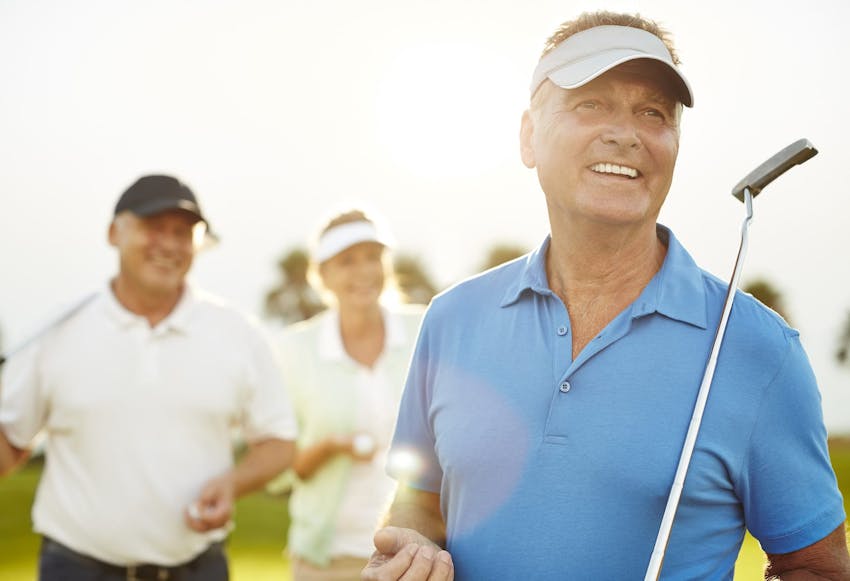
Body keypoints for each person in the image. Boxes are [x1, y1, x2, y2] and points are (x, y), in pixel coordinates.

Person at [362, 11, 850, 581]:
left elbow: (817, 567)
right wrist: (411, 552)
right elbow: (419, 501)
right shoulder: (451, 320)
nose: (627, 133)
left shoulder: (757, 349)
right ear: (528, 135)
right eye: (591, 104)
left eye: (653, 113)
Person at [0, 174, 298, 581]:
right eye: (153, 227)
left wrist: (234, 482)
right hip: (75, 567)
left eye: (183, 232)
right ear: (113, 233)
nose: (170, 245)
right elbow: (10, 446)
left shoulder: (238, 334)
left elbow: (279, 442)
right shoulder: (56, 331)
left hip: (199, 568)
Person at [277, 210, 424, 580]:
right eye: (347, 261)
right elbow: (279, 465)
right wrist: (329, 447)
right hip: (329, 557)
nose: (364, 272)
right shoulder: (294, 349)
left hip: (415, 552)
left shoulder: (426, 327)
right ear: (322, 274)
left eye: (373, 257)